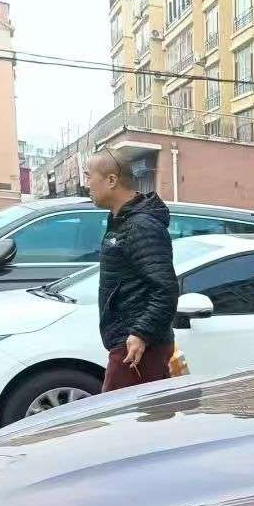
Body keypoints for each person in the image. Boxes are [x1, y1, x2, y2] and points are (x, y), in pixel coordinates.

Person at [85, 148, 178, 392]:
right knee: (146, 414)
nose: (86, 185)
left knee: (118, 413)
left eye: (89, 176)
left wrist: (141, 333)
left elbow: (166, 288)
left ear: (111, 180)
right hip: (129, 343)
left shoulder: (141, 226)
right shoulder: (121, 221)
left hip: (139, 348)